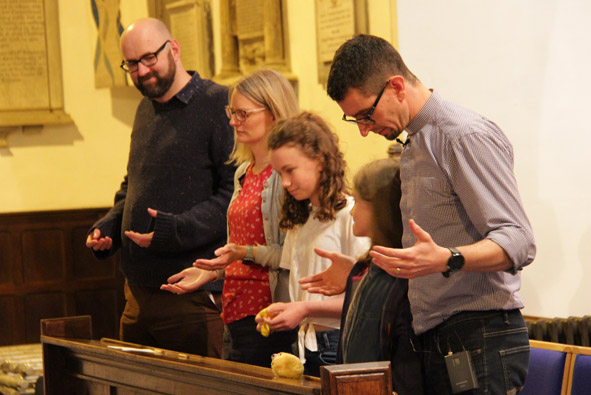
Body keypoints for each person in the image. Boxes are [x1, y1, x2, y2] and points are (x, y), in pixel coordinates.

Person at [326, 34, 536, 394]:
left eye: (366, 115)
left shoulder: (462, 135)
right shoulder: (415, 143)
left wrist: (449, 258)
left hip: (479, 333)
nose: (363, 130)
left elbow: (518, 240)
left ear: (395, 87)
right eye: (354, 120)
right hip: (436, 335)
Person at [85, 17, 235, 358]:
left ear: (175, 50)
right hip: (137, 291)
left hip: (192, 293)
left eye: (149, 58)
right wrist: (108, 226)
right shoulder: (144, 109)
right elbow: (133, 184)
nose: (142, 71)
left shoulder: (218, 103)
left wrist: (174, 230)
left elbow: (231, 194)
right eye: (132, 64)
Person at [161, 69, 300, 367]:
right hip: (234, 309)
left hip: (267, 313)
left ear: (274, 113)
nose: (232, 121)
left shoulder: (284, 177)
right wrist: (211, 274)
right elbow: (242, 255)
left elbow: (290, 256)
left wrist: (242, 253)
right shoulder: (242, 173)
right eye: (231, 112)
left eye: (242, 114)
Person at [256, 112, 371, 377]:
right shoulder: (301, 218)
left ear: (319, 161)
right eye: (279, 173)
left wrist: (306, 308)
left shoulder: (351, 216)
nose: (285, 183)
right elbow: (298, 290)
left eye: (290, 171)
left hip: (338, 341)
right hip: (303, 343)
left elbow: (365, 301)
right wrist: (283, 310)